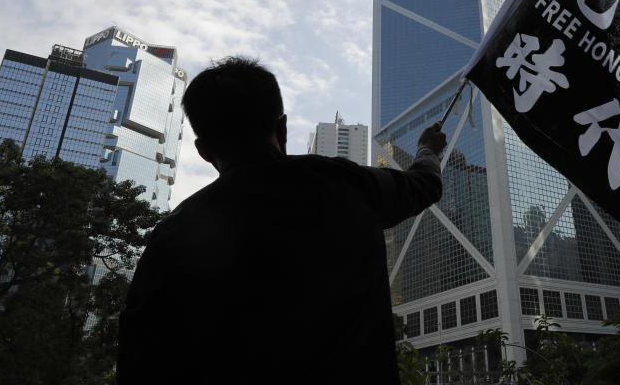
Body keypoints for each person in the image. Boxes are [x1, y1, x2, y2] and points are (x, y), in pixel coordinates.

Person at [117, 56, 446, 384]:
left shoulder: (173, 234)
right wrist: (427, 149)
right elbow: (424, 185)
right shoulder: (344, 183)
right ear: (283, 128)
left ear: (203, 150)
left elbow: (139, 361)